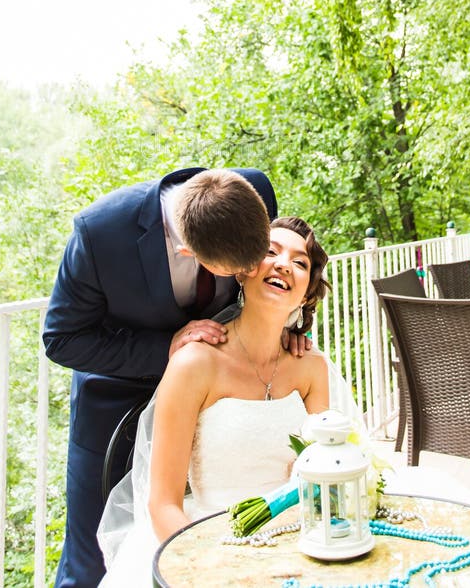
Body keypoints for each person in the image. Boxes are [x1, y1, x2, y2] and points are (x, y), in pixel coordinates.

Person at [43, 167, 280, 588]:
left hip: (218, 401)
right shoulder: (99, 233)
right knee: (89, 564)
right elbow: (62, 338)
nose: (246, 277)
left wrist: (291, 331)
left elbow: (277, 276)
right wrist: (165, 348)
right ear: (187, 251)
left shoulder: (252, 192)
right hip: (116, 404)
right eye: (233, 272)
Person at [97, 216, 361, 586]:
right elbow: (163, 505)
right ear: (242, 271)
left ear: (305, 293)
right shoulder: (194, 363)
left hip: (299, 547)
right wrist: (218, 570)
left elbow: (327, 480)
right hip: (209, 546)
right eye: (270, 252)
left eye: (300, 263)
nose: (284, 264)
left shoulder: (311, 368)